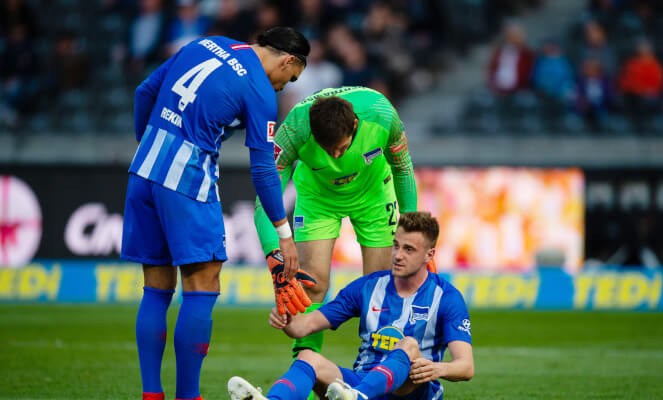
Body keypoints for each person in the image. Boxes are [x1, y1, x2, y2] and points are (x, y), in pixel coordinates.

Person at [120, 27, 310, 400]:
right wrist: (283, 234)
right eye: (291, 78)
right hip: (186, 179)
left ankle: (151, 394)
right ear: (288, 60)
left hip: (143, 169)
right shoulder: (258, 89)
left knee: (156, 289)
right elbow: (263, 169)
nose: (284, 87)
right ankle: (188, 396)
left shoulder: (207, 43)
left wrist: (147, 144)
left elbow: (145, 90)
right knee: (202, 285)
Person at [229, 212, 474, 400]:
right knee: (308, 356)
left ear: (429, 255)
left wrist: (436, 369)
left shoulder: (447, 297)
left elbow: (466, 366)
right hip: (359, 381)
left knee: (409, 346)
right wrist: (288, 320)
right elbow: (305, 327)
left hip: (410, 390)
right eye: (396, 245)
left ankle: (358, 396)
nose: (398, 255)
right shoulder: (367, 287)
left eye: (409, 249)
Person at [253, 86, 418, 360]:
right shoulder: (294, 130)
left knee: (378, 286)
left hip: (374, 194)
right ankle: (306, 365)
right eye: (327, 150)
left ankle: (374, 365)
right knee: (312, 283)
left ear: (355, 124)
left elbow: (402, 167)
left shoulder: (382, 114)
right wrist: (274, 251)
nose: (335, 157)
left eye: (341, 147)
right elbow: (265, 198)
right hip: (318, 199)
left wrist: (412, 227)